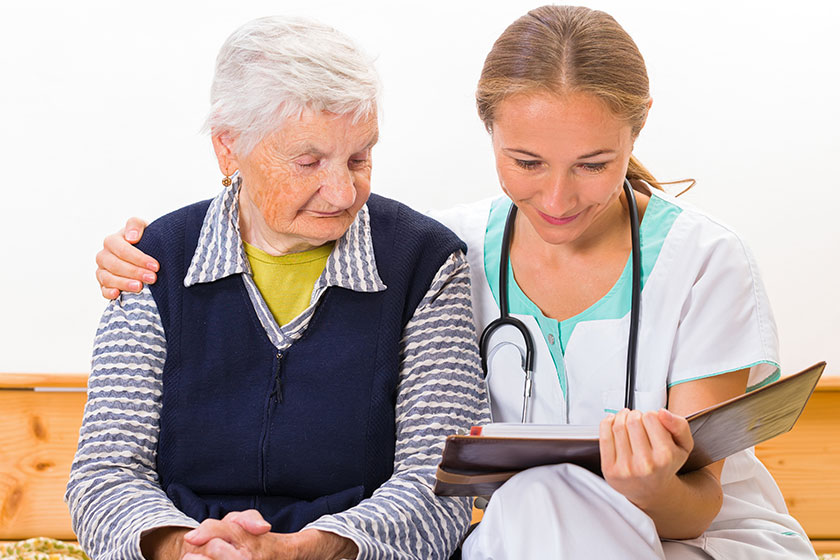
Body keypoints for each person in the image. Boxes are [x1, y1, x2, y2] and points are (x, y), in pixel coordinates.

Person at [94, 6, 815, 559]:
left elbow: (695, 505)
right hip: (533, 536)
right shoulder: (452, 247)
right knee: (537, 501)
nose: (559, 199)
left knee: (542, 496)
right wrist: (131, 253)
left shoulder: (701, 261)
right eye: (528, 163)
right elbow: (108, 468)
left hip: (688, 537)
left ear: (637, 131)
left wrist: (650, 480)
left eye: (594, 164)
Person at [67, 16, 488, 560]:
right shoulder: (153, 264)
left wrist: (302, 550)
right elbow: (106, 471)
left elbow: (441, 483)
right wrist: (182, 548)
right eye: (308, 161)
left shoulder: (424, 263)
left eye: (359, 157)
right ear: (229, 148)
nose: (341, 192)